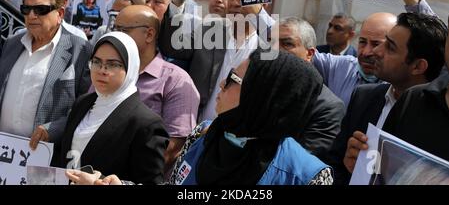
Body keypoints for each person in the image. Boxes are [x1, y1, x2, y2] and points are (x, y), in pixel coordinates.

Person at [69, 49, 332, 185]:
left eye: (232, 80)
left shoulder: (308, 176)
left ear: (261, 97)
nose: (221, 86)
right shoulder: (204, 133)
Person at [326, 12, 447, 185]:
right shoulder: (364, 97)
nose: (376, 51)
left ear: (418, 66)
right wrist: (350, 166)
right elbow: (333, 166)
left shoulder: (439, 120)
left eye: (390, 47)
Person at [60, 31, 169, 185]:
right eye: (96, 62)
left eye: (113, 64)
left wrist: (101, 182)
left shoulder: (146, 124)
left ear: (130, 68)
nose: (102, 70)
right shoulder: (83, 103)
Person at [0, 0, 92, 149]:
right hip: (3, 149)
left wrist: (54, 129)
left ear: (60, 13)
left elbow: (86, 107)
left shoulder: (80, 50)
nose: (32, 15)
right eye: (26, 9)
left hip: (44, 153)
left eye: (41, 10)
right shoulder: (12, 43)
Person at [113, 5, 200, 177]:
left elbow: (173, 148)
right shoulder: (106, 70)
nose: (116, 36)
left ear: (150, 34)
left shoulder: (175, 81)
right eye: (115, 29)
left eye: (124, 30)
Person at [271, 17, 345, 160]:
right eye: (271, 42)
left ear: (309, 54)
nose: (275, 50)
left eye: (287, 44)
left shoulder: (329, 108)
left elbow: (298, 164)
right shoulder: (254, 87)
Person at [382, 12, 449, 163]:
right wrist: (364, 165)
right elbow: (384, 170)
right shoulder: (412, 100)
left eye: (391, 47)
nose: (376, 52)